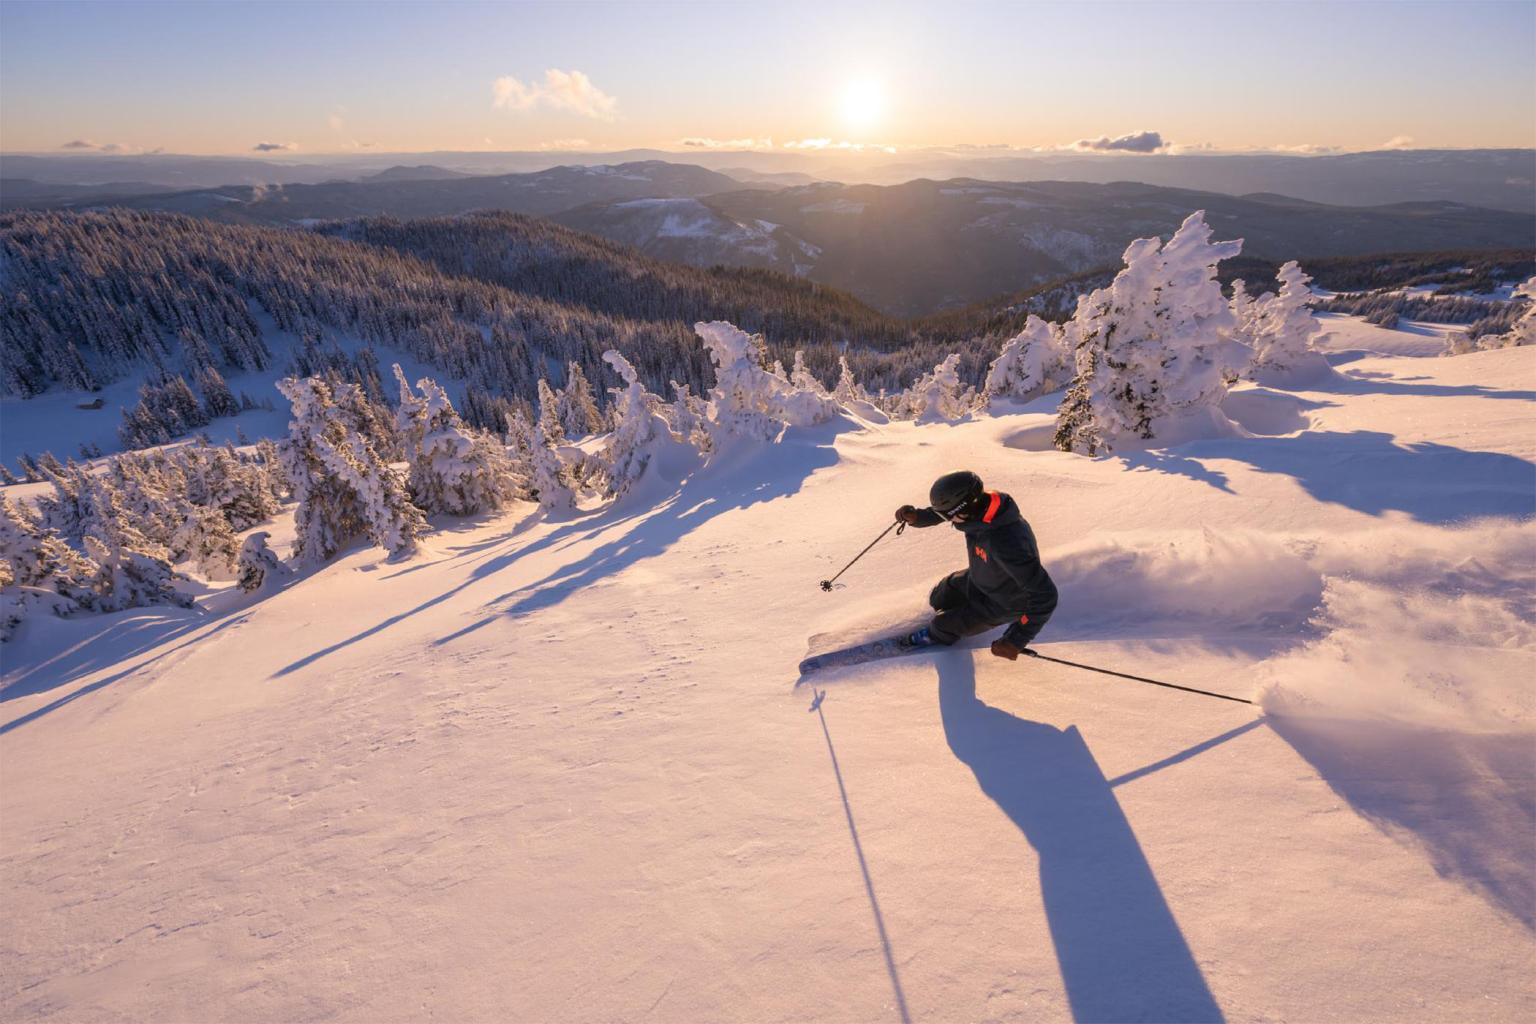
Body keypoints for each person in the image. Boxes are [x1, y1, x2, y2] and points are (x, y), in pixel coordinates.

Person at [895, 470, 1058, 659]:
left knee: (943, 625)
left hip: (1004, 602)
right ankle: (943, 615)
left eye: (949, 516)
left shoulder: (1006, 542)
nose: (948, 520)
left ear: (964, 510)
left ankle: (934, 636)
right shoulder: (980, 508)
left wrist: (1015, 640)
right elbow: (947, 510)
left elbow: (1045, 596)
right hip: (983, 576)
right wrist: (918, 517)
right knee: (940, 594)